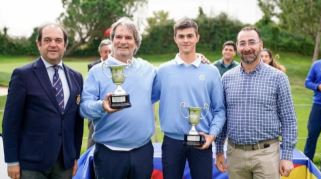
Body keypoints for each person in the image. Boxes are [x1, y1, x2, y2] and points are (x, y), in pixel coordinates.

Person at [2, 23, 84, 179]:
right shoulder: (22, 75)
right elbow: (10, 122)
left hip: (64, 163)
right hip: (32, 164)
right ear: (39, 44)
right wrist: (12, 161)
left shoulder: (76, 77)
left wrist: (75, 157)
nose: (53, 44)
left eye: (58, 40)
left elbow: (77, 122)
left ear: (65, 45)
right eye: (47, 40)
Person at [215, 26, 297, 179]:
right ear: (238, 47)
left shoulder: (278, 78)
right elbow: (223, 117)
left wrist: (287, 156)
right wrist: (219, 150)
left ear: (261, 44)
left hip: (267, 155)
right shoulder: (226, 78)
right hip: (235, 155)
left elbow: (289, 119)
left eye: (251, 42)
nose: (247, 48)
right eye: (242, 43)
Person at [80, 17, 156, 179]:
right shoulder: (96, 72)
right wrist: (102, 106)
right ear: (112, 40)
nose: (123, 41)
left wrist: (194, 56)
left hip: (142, 151)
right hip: (109, 153)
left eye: (128, 37)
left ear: (136, 43)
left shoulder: (147, 69)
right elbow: (84, 107)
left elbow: (170, 75)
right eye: (118, 37)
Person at [152, 17, 226, 179]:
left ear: (197, 37)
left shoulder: (211, 71)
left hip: (202, 140)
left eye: (190, 36)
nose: (186, 40)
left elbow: (220, 110)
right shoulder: (163, 71)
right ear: (175, 38)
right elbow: (148, 98)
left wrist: (212, 135)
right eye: (181, 36)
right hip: (172, 141)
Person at [86, 39, 112, 149]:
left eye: (110, 51)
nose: (108, 54)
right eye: (105, 51)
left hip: (113, 106)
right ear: (100, 53)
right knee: (93, 138)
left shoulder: (118, 65)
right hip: (97, 108)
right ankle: (89, 159)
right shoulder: (92, 67)